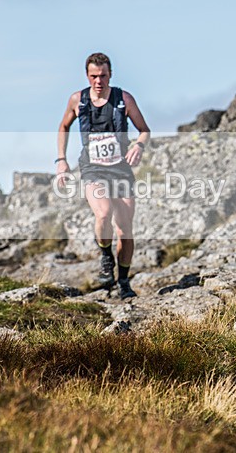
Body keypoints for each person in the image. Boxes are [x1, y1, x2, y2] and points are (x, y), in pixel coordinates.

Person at [56, 53, 151, 299]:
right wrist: (61, 160)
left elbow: (144, 131)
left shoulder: (124, 99)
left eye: (103, 76)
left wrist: (139, 146)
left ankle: (123, 281)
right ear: (87, 76)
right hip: (92, 169)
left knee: (125, 229)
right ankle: (106, 256)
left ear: (111, 74)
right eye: (94, 76)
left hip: (119, 169)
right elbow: (64, 126)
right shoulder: (78, 100)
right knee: (103, 212)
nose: (99, 81)